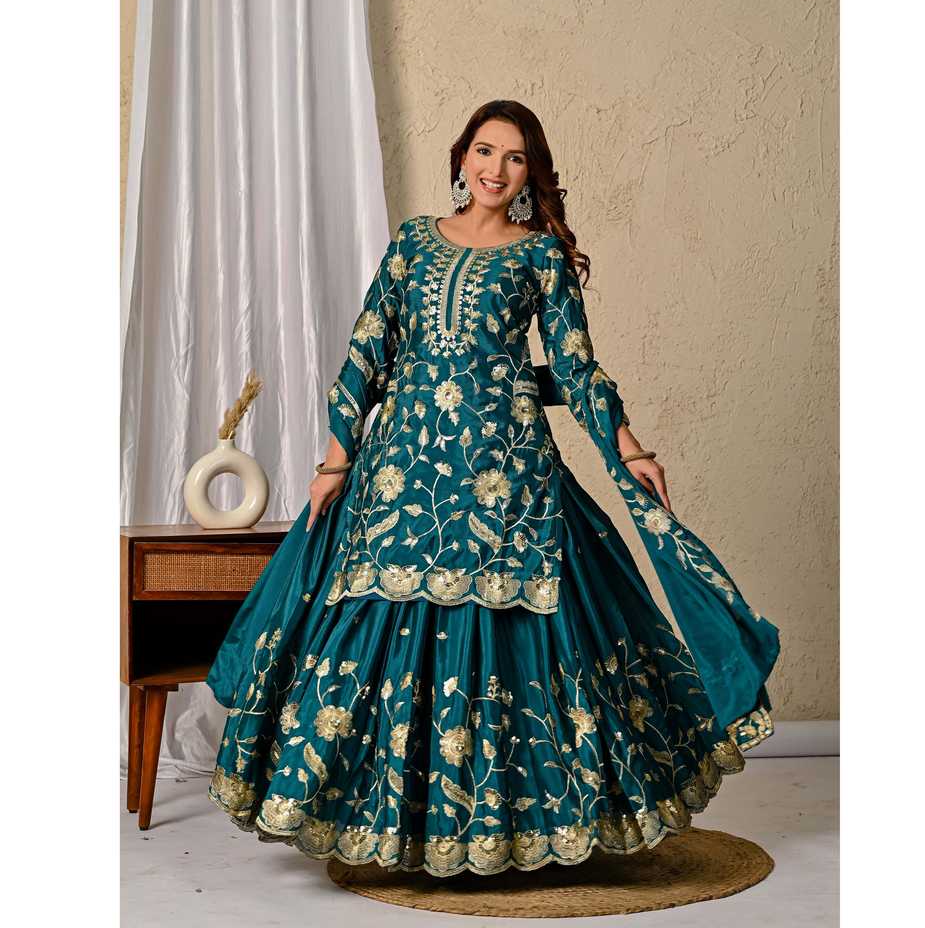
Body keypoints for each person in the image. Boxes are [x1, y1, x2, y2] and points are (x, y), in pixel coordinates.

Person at [205, 100, 780, 878]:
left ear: (530, 175)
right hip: (403, 472)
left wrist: (629, 449)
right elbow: (367, 351)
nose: (495, 169)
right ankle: (396, 824)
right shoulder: (412, 243)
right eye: (484, 150)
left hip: (507, 474)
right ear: (461, 158)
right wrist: (335, 461)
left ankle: (519, 828)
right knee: (380, 626)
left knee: (525, 634)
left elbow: (573, 366)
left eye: (514, 158)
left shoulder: (540, 257)